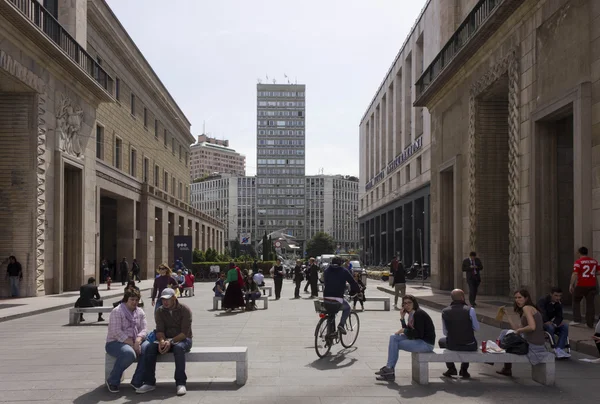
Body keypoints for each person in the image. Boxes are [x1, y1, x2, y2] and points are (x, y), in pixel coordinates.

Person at [137, 288, 193, 396]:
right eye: (163, 300)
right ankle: (149, 382)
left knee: (179, 348)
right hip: (166, 338)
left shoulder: (184, 310)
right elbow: (160, 330)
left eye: (167, 299)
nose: (165, 302)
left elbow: (184, 333)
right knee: (150, 348)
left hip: (183, 339)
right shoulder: (160, 311)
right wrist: (162, 340)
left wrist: (171, 341)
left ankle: (180, 383)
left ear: (174, 298)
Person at [375, 295, 435, 381]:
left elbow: (418, 334)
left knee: (397, 344)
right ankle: (389, 368)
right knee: (393, 337)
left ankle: (390, 370)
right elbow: (409, 331)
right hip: (418, 340)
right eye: (405, 303)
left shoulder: (419, 314)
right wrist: (402, 318)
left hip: (426, 344)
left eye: (409, 303)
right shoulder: (412, 314)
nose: (407, 305)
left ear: (414, 303)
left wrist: (404, 330)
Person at [495, 289, 549, 376]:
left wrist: (520, 331)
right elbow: (517, 329)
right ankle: (506, 367)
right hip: (535, 342)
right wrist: (508, 315)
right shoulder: (529, 309)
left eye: (520, 297)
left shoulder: (526, 308)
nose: (517, 300)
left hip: (532, 344)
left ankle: (496, 355)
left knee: (507, 339)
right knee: (505, 333)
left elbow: (532, 327)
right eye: (515, 298)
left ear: (526, 298)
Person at [105, 289, 148, 393]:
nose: (134, 302)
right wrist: (132, 344)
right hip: (115, 342)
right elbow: (116, 331)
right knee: (129, 353)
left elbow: (144, 329)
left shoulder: (140, 311)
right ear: (126, 300)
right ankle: (113, 380)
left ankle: (137, 380)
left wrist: (138, 340)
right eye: (132, 299)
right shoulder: (117, 311)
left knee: (148, 349)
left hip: (136, 340)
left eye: (137, 300)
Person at [439, 289, 480, 379]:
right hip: (469, 345)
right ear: (462, 298)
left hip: (452, 345)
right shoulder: (470, 310)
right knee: (470, 340)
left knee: (441, 341)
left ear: (452, 298)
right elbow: (477, 328)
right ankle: (464, 370)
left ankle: (451, 368)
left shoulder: (445, 311)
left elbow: (445, 332)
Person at [323, 256, 360, 335]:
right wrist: (358, 291)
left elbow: (325, 282)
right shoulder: (343, 271)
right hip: (337, 298)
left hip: (326, 298)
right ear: (341, 263)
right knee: (347, 308)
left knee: (331, 313)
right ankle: (341, 325)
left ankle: (329, 334)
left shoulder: (326, 270)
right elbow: (352, 282)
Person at [569, 246, 599, 328]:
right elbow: (599, 271)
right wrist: (591, 274)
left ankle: (576, 319)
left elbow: (575, 273)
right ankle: (590, 322)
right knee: (590, 304)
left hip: (581, 284)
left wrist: (571, 285)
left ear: (579, 253)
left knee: (576, 300)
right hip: (592, 285)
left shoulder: (578, 262)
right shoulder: (594, 261)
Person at [537, 287, 571, 358]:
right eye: (556, 295)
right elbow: (541, 312)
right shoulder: (543, 301)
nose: (558, 298)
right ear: (551, 294)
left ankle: (559, 349)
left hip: (551, 323)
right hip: (541, 322)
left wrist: (555, 323)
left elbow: (560, 316)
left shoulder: (558, 303)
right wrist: (546, 321)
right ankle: (554, 347)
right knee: (550, 327)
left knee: (565, 326)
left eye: (560, 296)